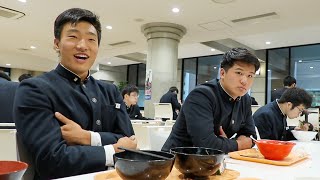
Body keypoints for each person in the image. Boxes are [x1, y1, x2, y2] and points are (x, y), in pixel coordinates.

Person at [13, 8, 137, 179]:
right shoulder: (35, 89)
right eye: (73, 37)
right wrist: (112, 150)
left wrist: (87, 137)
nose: (83, 45)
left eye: (91, 39)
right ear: (57, 43)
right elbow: (51, 161)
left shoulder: (110, 90)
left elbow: (129, 140)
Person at [162, 47, 260, 153]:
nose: (244, 81)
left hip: (215, 161)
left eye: (250, 75)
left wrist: (224, 143)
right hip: (177, 162)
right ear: (222, 73)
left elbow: (251, 137)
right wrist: (238, 144)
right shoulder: (201, 95)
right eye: (239, 73)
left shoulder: (245, 100)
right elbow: (206, 144)